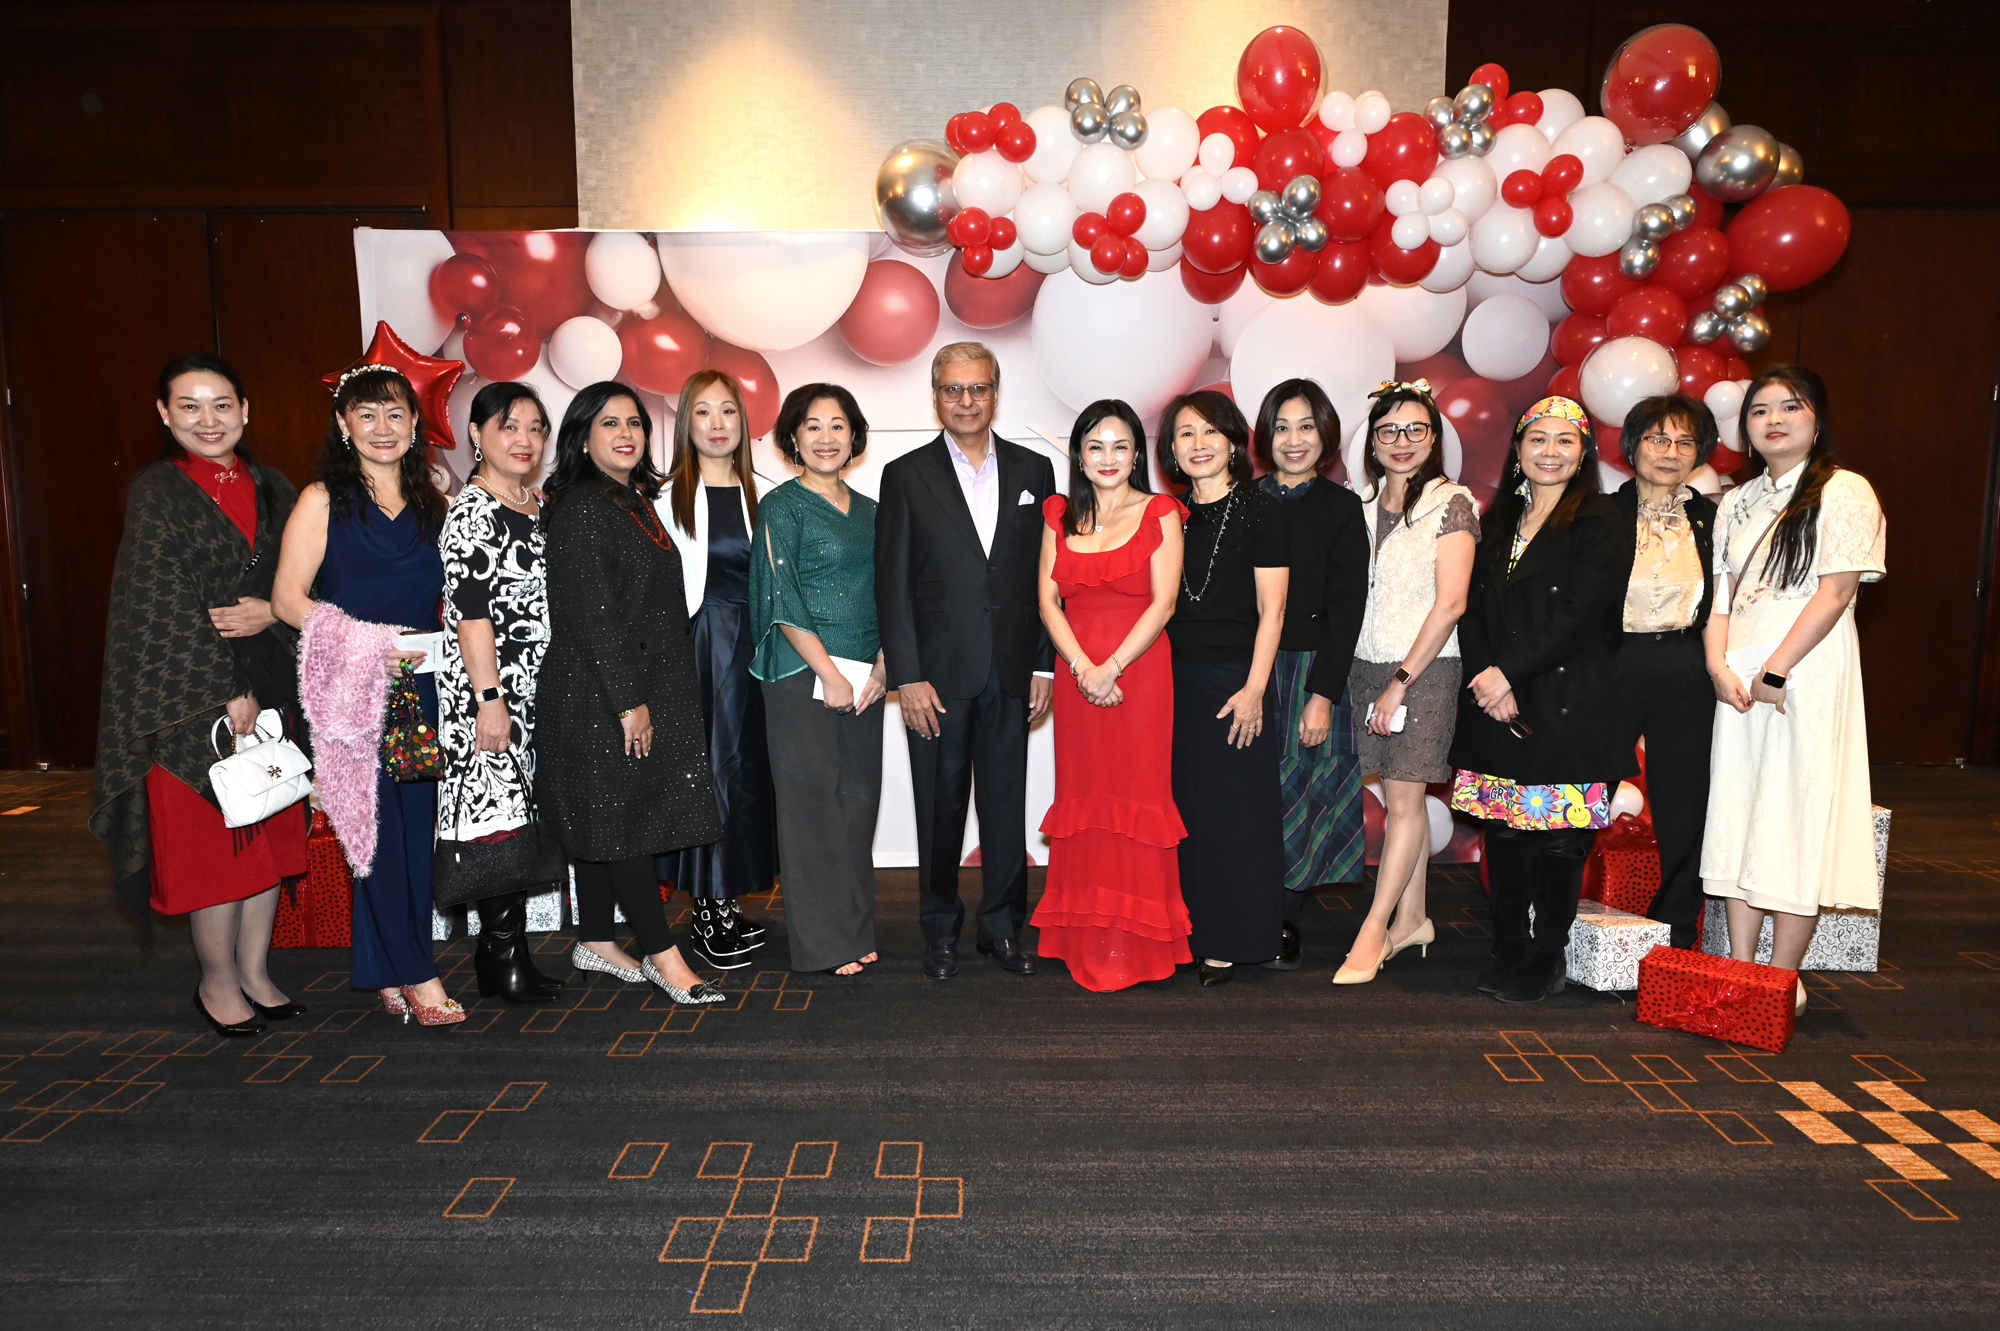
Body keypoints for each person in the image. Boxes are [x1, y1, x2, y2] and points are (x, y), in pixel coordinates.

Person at [92, 353, 309, 1037]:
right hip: (190, 705)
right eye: (189, 405)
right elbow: (158, 606)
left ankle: (256, 973)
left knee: (265, 841)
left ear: (245, 410)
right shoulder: (157, 491)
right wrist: (227, 690)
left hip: (272, 691)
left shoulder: (275, 486)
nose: (208, 420)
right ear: (165, 413)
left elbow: (306, 578)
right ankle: (216, 983)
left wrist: (273, 612)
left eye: (222, 404)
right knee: (215, 855)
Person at [275, 365, 457, 1024]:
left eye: (395, 414)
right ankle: (418, 972)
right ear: (344, 423)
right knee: (374, 830)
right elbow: (287, 599)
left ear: (414, 425)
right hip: (354, 686)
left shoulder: (436, 503)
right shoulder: (322, 500)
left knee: (412, 835)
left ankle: (384, 967)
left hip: (425, 686)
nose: (383, 428)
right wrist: (369, 643)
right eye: (367, 414)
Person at [1702, 367, 1885, 1014]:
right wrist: (1719, 667)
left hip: (1803, 669)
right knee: (1738, 811)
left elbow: (1835, 592)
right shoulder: (1737, 500)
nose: (1773, 419)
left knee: (1793, 816)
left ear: (1817, 417)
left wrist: (1776, 669)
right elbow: (1720, 599)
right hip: (1739, 676)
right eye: (1760, 410)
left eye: (1790, 406)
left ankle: (1780, 981)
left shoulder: (1844, 489)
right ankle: (1738, 970)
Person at [536, 382, 725, 1006]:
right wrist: (627, 701)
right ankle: (664, 957)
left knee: (606, 816)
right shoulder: (585, 507)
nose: (626, 434)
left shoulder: (630, 499)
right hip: (598, 695)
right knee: (623, 825)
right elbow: (592, 615)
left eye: (635, 423)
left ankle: (596, 938)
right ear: (582, 437)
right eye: (609, 423)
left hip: (624, 684)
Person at [876, 343, 1057, 980]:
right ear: (935, 396)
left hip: (1011, 673)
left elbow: (1047, 578)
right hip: (936, 678)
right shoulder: (904, 475)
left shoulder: (1036, 470)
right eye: (953, 389)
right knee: (940, 810)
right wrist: (907, 676)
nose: (966, 400)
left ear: (996, 393)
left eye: (978, 388)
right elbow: (892, 585)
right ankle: (940, 932)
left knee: (1007, 811)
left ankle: (1002, 931)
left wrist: (1043, 666)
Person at [1449, 396, 1637, 1004]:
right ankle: (1508, 945)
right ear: (1518, 449)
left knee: (1559, 837)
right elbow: (1471, 609)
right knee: (1504, 831)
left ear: (1583, 452)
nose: (1549, 452)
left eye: (1564, 440)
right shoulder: (1499, 516)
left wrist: (1508, 673)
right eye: (1537, 439)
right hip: (1496, 701)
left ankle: (1546, 955)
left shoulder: (1600, 518)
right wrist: (1488, 678)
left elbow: (1581, 613)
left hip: (1567, 701)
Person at [1032, 400, 1189, 991]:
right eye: (1095, 446)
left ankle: (1139, 944)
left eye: (1120, 446)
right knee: (1085, 798)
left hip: (1140, 678)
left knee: (1138, 800)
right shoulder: (1059, 515)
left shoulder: (1161, 512)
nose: (1108, 457)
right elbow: (1047, 601)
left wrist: (1112, 668)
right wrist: (1083, 668)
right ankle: (1083, 936)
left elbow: (1164, 604)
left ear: (1136, 454)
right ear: (1079, 455)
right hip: (1078, 676)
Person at [1335, 381, 1477, 986]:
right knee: (1402, 800)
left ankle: (1374, 928)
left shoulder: (1453, 502)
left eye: (1416, 429)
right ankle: (1414, 917)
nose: (1402, 441)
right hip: (1365, 664)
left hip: (1425, 670)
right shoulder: (1360, 503)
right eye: (1389, 430)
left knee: (1404, 801)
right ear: (1371, 441)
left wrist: (1400, 681)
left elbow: (1451, 603)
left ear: (1434, 438)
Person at [752, 383, 888, 977]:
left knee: (857, 804)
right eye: (812, 426)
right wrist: (828, 673)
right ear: (792, 438)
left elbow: (893, 592)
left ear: (855, 436)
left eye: (838, 425)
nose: (826, 438)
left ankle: (855, 930)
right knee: (811, 808)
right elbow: (781, 597)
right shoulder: (780, 507)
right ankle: (824, 945)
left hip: (868, 678)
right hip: (801, 676)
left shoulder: (874, 512)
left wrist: (884, 664)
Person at [436, 381, 565, 1003]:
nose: (524, 440)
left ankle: (507, 957)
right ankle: (501, 957)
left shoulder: (537, 503)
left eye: (536, 428)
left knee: (521, 820)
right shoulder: (472, 513)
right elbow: (471, 615)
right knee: (497, 823)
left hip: (538, 692)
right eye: (509, 426)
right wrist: (489, 700)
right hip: (490, 693)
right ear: (477, 435)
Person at [1158, 390, 1290, 986]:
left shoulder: (1263, 510)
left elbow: (1273, 611)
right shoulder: (1167, 514)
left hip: (1237, 681)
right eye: (1185, 433)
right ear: (1171, 447)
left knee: (1236, 816)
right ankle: (1187, 929)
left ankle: (1232, 940)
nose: (1199, 444)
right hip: (1171, 682)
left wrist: (1255, 688)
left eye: (1211, 431)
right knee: (1184, 810)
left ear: (1234, 440)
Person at [657, 369, 776, 969]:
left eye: (727, 410)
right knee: (714, 775)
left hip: (762, 648)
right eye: (703, 411)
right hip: (703, 646)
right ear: (686, 422)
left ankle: (728, 897)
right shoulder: (664, 500)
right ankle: (708, 910)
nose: (717, 423)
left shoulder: (767, 494)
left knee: (751, 774)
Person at [1252, 379, 1369, 967]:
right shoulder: (1245, 500)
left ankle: (1284, 917)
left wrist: (1322, 694)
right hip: (1248, 669)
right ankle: (1241, 904)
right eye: (1281, 427)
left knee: (1302, 794)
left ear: (1325, 435)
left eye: (1305, 426)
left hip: (1308, 671)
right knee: (1249, 793)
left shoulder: (1341, 508)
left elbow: (1347, 612)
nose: (1293, 440)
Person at [1611, 395, 1721, 949]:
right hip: (1612, 662)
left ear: (1699, 453)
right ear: (1633, 447)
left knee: (1685, 802)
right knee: (1584, 787)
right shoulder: (1599, 514)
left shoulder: (1713, 519)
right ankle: (1557, 918)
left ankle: (1675, 929)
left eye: (1684, 442)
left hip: (1685, 665)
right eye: (1657, 439)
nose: (1670, 452)